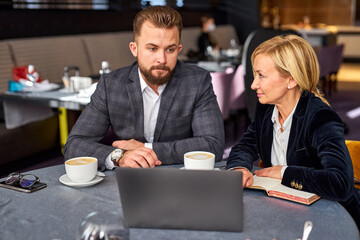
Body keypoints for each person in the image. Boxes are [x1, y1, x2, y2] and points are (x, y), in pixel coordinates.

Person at [63, 6, 224, 170]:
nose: (161, 59)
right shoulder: (110, 85)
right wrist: (119, 156)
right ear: (134, 49)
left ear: (178, 50)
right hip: (128, 182)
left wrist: (147, 150)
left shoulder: (197, 81)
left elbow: (213, 144)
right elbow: (74, 145)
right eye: (152, 48)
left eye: (170, 49)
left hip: (180, 181)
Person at [226, 34, 360, 228]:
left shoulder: (320, 117)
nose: (254, 85)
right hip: (286, 209)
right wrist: (239, 167)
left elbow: (340, 183)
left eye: (261, 75)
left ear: (291, 80)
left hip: (332, 218)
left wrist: (285, 173)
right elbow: (246, 145)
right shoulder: (266, 107)